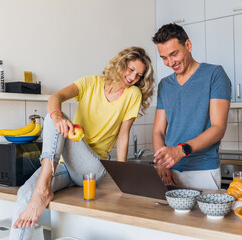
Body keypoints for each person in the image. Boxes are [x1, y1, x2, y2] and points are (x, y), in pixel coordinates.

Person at [9, 46, 154, 239]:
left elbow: (123, 136)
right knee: (26, 194)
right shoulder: (90, 83)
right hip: (63, 166)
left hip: (92, 167)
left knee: (55, 118)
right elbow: (56, 97)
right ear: (121, 64)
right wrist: (57, 117)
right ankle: (41, 191)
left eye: (138, 75)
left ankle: (43, 189)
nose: (133, 77)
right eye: (131, 70)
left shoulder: (132, 95)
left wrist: (123, 177)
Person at [152, 23, 231, 190]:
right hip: (170, 172)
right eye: (164, 58)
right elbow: (158, 130)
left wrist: (180, 151)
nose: (170, 62)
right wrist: (161, 162)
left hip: (202, 172)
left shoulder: (214, 75)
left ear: (188, 45)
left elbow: (218, 128)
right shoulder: (164, 85)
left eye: (173, 54)